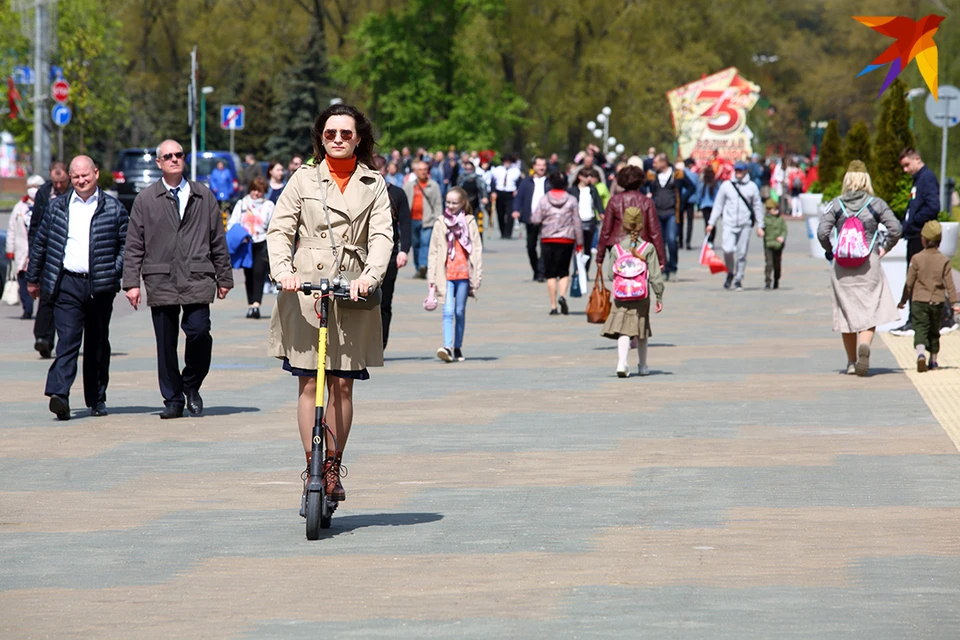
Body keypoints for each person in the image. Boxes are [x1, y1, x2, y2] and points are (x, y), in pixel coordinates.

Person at [267, 103, 393, 508]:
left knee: (342, 384)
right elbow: (280, 228)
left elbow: (382, 237)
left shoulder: (374, 183)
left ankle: (334, 467)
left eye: (346, 133)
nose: (338, 139)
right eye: (330, 133)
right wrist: (283, 271)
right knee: (309, 381)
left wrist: (369, 278)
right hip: (307, 289)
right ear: (320, 138)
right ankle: (313, 468)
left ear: (359, 138)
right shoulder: (303, 179)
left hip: (351, 288)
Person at [123, 139, 234, 419]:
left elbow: (217, 239)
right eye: (168, 156)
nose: (174, 159)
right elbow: (134, 243)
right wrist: (131, 282)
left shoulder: (203, 195)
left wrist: (224, 276)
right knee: (166, 343)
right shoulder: (146, 199)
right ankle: (172, 399)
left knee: (199, 332)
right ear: (158, 162)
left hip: (197, 275)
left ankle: (191, 384)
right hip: (160, 277)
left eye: (178, 154)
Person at [26, 156, 128, 420]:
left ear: (95, 173)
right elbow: (41, 244)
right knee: (68, 341)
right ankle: (60, 394)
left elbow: (127, 245)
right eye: (76, 177)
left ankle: (96, 399)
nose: (81, 181)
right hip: (67, 283)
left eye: (85, 175)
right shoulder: (58, 207)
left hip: (99, 286)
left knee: (96, 344)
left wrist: (113, 271)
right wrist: (33, 278)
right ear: (70, 178)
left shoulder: (113, 208)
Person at [818, 161, 901, 377]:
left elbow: (822, 232)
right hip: (868, 263)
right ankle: (865, 345)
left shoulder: (836, 204)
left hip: (842, 265)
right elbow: (896, 229)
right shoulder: (877, 204)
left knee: (847, 314)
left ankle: (852, 361)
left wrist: (831, 250)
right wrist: (884, 248)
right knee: (869, 309)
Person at [601, 205, 664, 378]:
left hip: (622, 296)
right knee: (641, 330)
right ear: (641, 225)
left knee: (623, 330)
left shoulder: (616, 249)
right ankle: (643, 365)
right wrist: (659, 296)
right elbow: (655, 276)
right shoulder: (648, 248)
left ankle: (622, 362)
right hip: (641, 296)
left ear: (624, 225)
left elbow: (610, 275)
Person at [427, 186, 483, 362]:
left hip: (464, 273)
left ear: (462, 203)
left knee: (459, 311)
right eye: (448, 202)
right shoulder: (440, 222)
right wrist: (431, 277)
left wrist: (478, 275)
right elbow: (433, 251)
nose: (450, 206)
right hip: (446, 274)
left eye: (454, 203)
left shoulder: (470, 222)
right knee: (448, 310)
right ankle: (447, 346)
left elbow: (477, 250)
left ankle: (458, 346)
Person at [892, 148, 942, 337]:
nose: (905, 170)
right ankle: (916, 320)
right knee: (916, 278)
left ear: (917, 159)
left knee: (918, 280)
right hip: (914, 235)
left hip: (920, 235)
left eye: (907, 165)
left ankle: (919, 321)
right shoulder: (918, 179)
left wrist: (912, 222)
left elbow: (933, 207)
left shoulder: (926, 178)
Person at [898, 221, 960, 372]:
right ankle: (933, 360)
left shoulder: (916, 259)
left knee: (920, 328)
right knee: (934, 330)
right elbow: (949, 284)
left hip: (920, 300)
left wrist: (903, 300)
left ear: (923, 239)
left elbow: (909, 283)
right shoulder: (943, 260)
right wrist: (954, 303)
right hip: (937, 300)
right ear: (940, 241)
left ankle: (920, 355)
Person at [28, 161, 70, 359]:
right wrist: (33, 252)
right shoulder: (43, 193)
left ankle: (64, 340)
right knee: (47, 296)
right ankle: (43, 338)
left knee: (66, 299)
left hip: (70, 254)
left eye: (62, 182)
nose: (59, 186)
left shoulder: (76, 193)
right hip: (48, 254)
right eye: (56, 182)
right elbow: (34, 226)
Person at [705, 161, 765, 291]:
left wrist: (761, 225)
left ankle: (738, 278)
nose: (738, 173)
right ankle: (730, 272)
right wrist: (711, 223)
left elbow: (757, 206)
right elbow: (718, 205)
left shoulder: (752, 187)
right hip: (729, 223)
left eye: (740, 170)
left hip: (745, 224)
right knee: (727, 250)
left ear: (745, 171)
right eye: (736, 170)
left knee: (742, 253)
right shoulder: (726, 186)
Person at [531, 172, 583, 315]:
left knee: (550, 273)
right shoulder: (572, 200)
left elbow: (535, 219)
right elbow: (577, 222)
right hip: (567, 239)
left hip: (548, 239)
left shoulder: (544, 200)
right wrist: (580, 242)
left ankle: (553, 306)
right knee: (564, 271)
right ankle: (563, 296)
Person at [374, 155, 411, 349]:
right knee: (363, 302)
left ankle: (380, 344)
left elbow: (406, 225)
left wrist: (404, 251)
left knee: (384, 302)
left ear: (386, 171)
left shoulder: (397, 194)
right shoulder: (362, 193)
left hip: (389, 254)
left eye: (379, 172)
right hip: (363, 255)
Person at [597, 165, 665, 269]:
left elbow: (605, 231)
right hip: (641, 245)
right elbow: (654, 232)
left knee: (620, 277)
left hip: (617, 246)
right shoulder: (647, 202)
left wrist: (599, 258)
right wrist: (661, 260)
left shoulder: (614, 201)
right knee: (640, 276)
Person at [227, 176, 275, 319]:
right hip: (245, 244)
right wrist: (241, 235)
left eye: (259, 191)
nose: (256, 193)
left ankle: (256, 305)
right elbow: (232, 223)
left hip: (262, 242)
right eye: (254, 190)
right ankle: (250, 305)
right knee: (248, 275)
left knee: (259, 274)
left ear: (264, 191)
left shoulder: (269, 205)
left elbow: (273, 225)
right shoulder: (242, 204)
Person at [646, 153, 693, 280]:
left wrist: (682, 202)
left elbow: (691, 187)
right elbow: (642, 186)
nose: (653, 165)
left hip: (672, 212)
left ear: (663, 162)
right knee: (659, 242)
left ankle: (673, 268)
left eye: (656, 162)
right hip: (657, 212)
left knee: (672, 240)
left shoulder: (677, 174)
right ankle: (664, 268)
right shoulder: (652, 176)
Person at [6, 175, 44, 319]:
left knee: (40, 282)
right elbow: (12, 230)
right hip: (22, 250)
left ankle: (43, 310)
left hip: (39, 250)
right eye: (30, 187)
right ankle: (27, 309)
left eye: (36, 186)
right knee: (23, 281)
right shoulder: (19, 207)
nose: (33, 190)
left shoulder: (47, 204)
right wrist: (10, 250)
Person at [512, 156, 549, 281]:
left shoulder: (549, 181)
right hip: (531, 218)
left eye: (543, 165)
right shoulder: (527, 181)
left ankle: (541, 272)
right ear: (534, 167)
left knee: (545, 246)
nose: (541, 167)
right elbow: (519, 197)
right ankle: (536, 269)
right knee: (530, 246)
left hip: (547, 219)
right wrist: (516, 210)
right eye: (539, 165)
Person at [403, 160, 442, 279]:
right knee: (416, 245)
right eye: (420, 170)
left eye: (425, 170)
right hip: (412, 219)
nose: (423, 172)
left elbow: (438, 203)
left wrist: (438, 219)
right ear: (416, 171)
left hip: (428, 220)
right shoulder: (409, 185)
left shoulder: (433, 185)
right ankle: (418, 268)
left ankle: (423, 265)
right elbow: (403, 203)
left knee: (425, 243)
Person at [568, 166, 603, 275]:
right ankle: (576, 270)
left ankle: (585, 271)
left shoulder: (592, 189)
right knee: (577, 248)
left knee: (588, 248)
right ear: (579, 177)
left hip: (590, 220)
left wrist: (602, 213)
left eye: (590, 176)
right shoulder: (573, 190)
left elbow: (598, 203)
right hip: (577, 221)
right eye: (586, 176)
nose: (588, 178)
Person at [490, 156, 522, 238]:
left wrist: (517, 190)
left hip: (510, 193)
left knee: (510, 214)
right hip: (499, 192)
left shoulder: (516, 171)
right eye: (505, 161)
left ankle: (508, 233)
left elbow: (519, 182)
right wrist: (493, 191)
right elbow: (493, 182)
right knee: (500, 213)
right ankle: (502, 231)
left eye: (508, 161)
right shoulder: (497, 170)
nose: (507, 163)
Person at [457, 160, 489, 237]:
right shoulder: (461, 178)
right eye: (467, 169)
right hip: (464, 204)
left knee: (477, 223)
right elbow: (458, 189)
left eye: (470, 169)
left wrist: (484, 197)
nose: (468, 171)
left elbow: (483, 189)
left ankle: (478, 241)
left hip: (476, 203)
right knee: (464, 223)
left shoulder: (478, 178)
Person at [763, 198, 787, 290]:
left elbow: (784, 230)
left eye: (777, 209)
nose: (776, 211)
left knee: (777, 265)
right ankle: (768, 282)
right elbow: (761, 228)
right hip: (768, 245)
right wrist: (760, 230)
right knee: (769, 264)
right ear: (768, 210)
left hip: (778, 246)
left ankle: (776, 280)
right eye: (774, 209)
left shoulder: (780, 219)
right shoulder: (765, 220)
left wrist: (782, 237)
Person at [694, 165, 719, 244]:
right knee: (713, 223)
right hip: (713, 206)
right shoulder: (715, 183)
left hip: (704, 206)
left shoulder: (703, 183)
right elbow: (718, 195)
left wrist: (698, 205)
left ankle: (708, 239)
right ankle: (711, 240)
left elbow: (699, 195)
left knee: (707, 223)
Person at [679, 158, 700, 250]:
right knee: (690, 222)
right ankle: (688, 242)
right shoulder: (694, 175)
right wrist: (698, 203)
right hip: (691, 200)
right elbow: (697, 189)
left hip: (681, 199)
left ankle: (680, 241)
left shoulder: (680, 174)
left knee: (680, 221)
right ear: (691, 165)